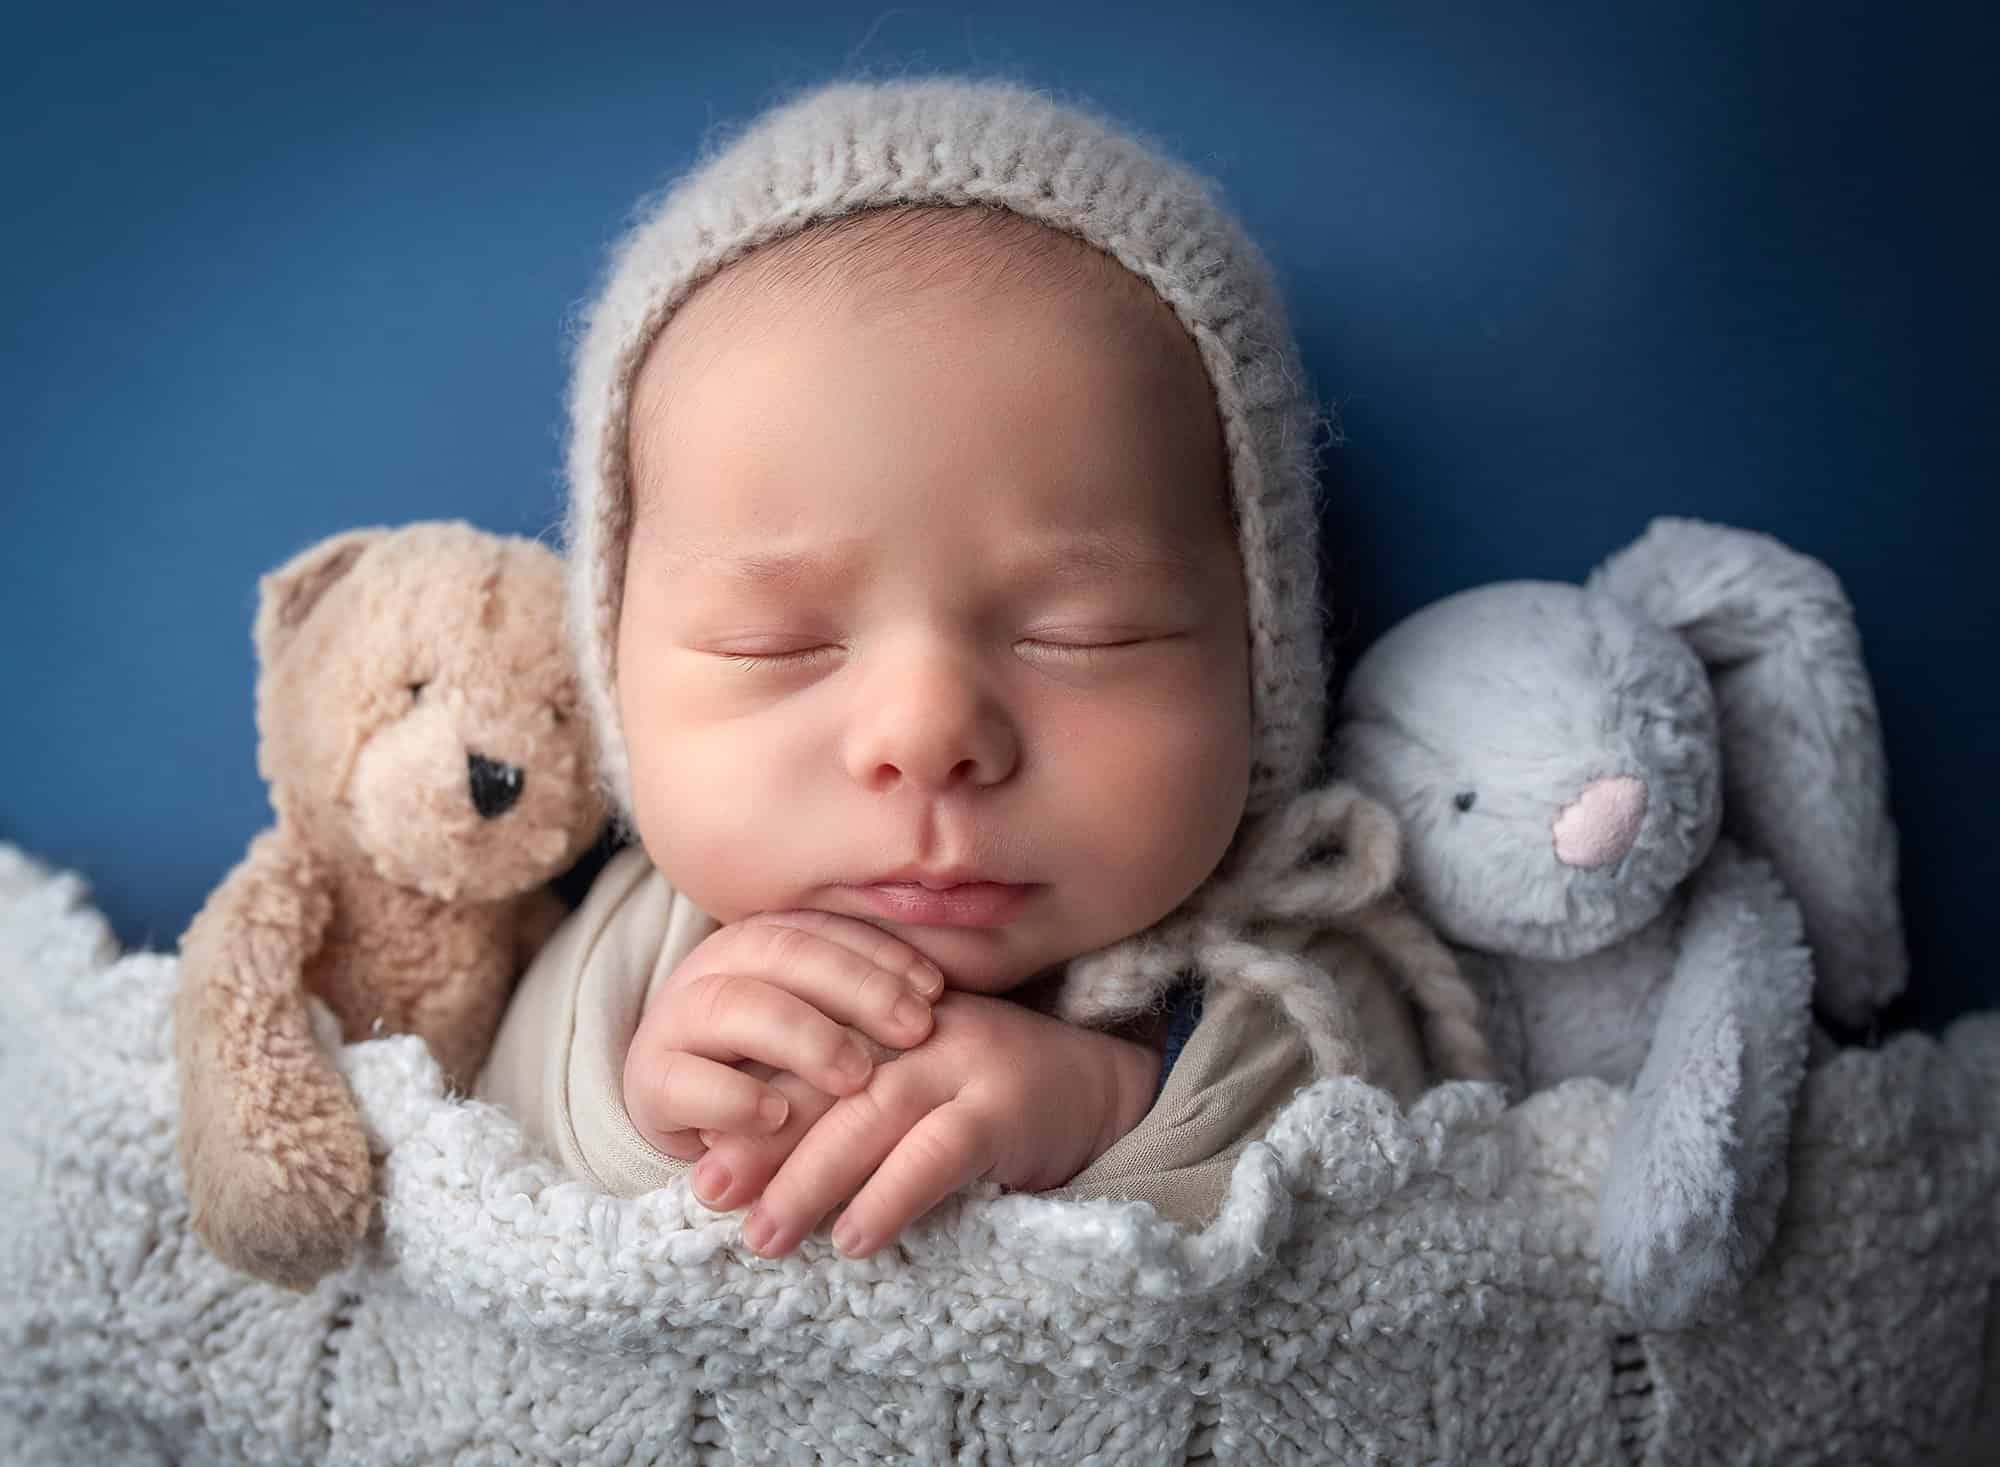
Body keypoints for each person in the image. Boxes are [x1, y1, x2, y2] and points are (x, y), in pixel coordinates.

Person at [477, 76, 1491, 1262]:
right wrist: (651, 1117)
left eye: (1082, 633)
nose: (924, 731)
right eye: (778, 643)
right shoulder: (634, 953)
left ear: (1260, 655)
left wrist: (1112, 1108)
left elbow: (1391, 1183)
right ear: (618, 681)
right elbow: (495, 1179)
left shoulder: (1297, 967)